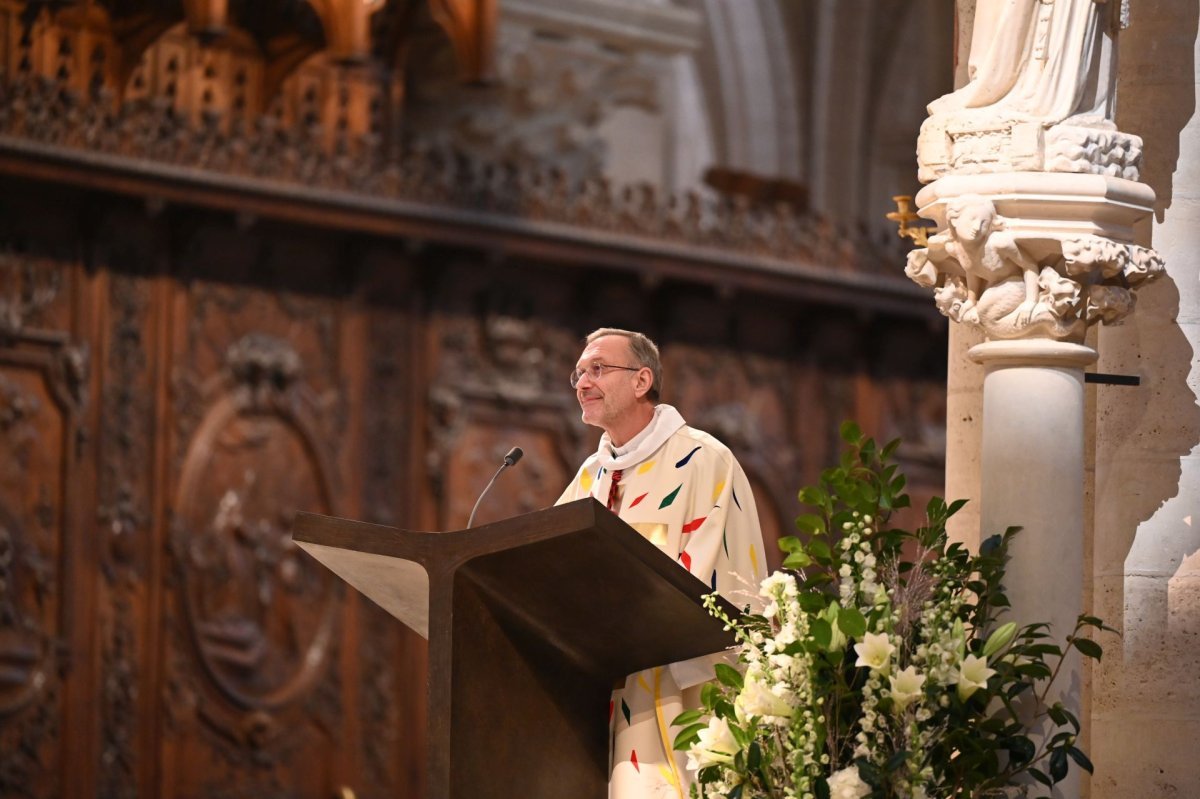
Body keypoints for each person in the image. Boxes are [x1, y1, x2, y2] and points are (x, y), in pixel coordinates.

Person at [556, 328, 766, 799]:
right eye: (578, 373)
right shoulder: (590, 476)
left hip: (669, 689)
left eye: (597, 369)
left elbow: (718, 580)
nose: (582, 382)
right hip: (591, 690)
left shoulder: (702, 460)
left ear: (641, 380)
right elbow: (548, 572)